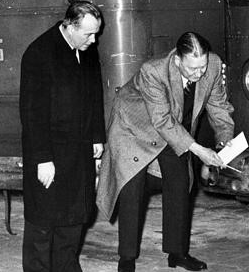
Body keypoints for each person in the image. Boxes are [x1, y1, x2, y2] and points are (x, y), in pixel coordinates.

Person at [96, 32, 235, 272]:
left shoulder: (212, 64)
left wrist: (225, 143)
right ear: (178, 61)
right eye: (192, 69)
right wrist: (200, 150)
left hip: (173, 128)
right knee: (133, 188)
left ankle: (177, 253)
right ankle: (126, 259)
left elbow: (219, 107)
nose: (198, 74)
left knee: (180, 182)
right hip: (134, 128)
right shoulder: (154, 70)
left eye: (202, 67)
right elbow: (161, 120)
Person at [19, 0, 106, 272]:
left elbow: (95, 97)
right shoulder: (39, 53)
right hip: (50, 152)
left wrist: (96, 137)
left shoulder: (87, 50)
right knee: (43, 222)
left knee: (74, 217)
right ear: (69, 26)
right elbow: (32, 114)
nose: (94, 40)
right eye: (88, 34)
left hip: (79, 149)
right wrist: (42, 159)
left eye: (96, 33)